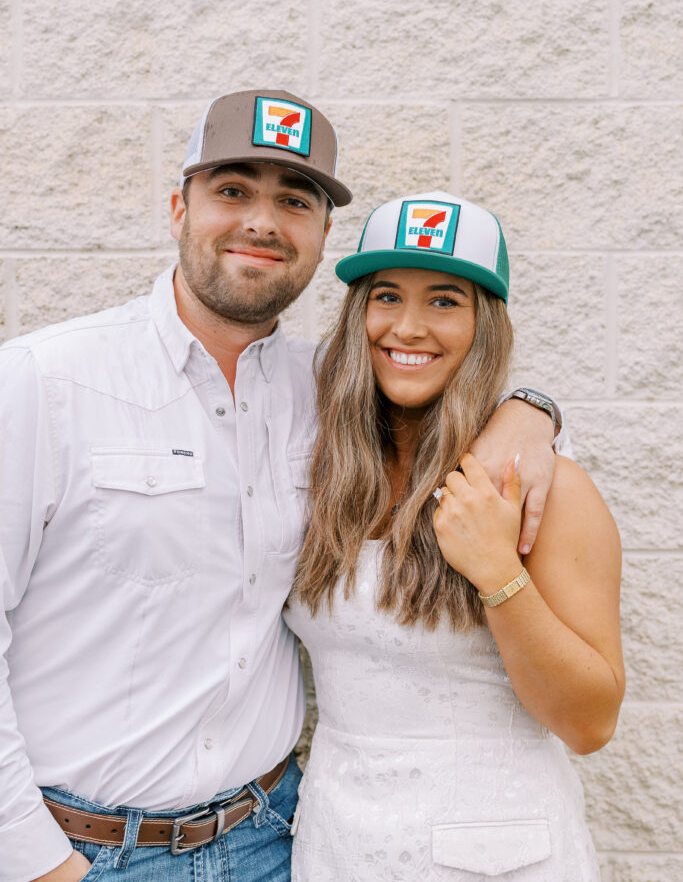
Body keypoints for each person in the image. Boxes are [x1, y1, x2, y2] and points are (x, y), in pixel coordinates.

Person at [1, 93, 565, 882]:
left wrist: (530, 412)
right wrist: (36, 861)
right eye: (232, 190)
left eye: (293, 201)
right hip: (86, 853)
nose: (262, 221)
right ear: (177, 208)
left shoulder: (327, 390)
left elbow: (441, 378)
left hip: (274, 840)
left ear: (321, 236)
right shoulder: (44, 379)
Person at [286, 191, 624, 881]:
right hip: (339, 847)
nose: (408, 327)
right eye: (386, 297)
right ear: (358, 315)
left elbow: (590, 723)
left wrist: (497, 570)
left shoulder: (542, 490)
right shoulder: (323, 469)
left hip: (501, 858)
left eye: (444, 301)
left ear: (483, 326)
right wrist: (537, 408)